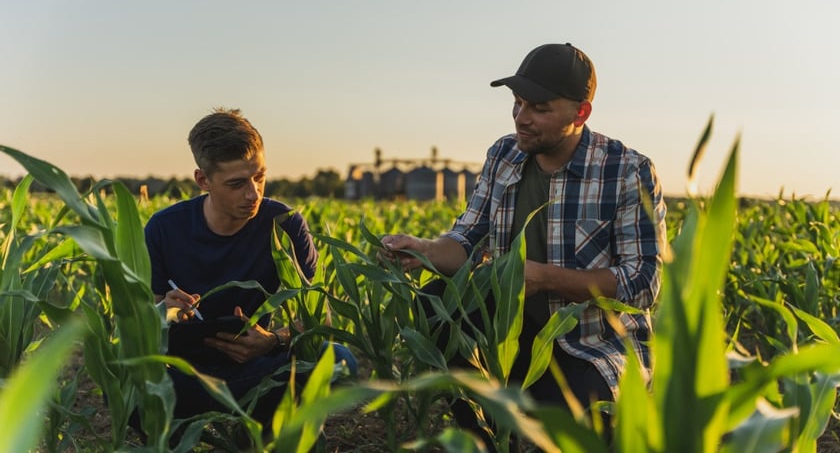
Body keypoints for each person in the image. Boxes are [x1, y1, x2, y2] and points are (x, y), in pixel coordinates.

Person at [379, 43, 667, 445]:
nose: (521, 118)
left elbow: (643, 282)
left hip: (589, 343)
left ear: (580, 113)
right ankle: (481, 435)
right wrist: (422, 249)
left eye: (539, 108)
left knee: (567, 432)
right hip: (510, 333)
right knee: (437, 301)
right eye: (517, 104)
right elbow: (466, 239)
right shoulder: (504, 154)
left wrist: (544, 278)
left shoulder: (626, 170)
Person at [143, 108, 357, 434]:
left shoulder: (284, 224)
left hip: (258, 367)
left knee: (339, 360)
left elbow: (319, 320)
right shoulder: (163, 228)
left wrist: (273, 340)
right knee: (127, 379)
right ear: (203, 180)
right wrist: (165, 312)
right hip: (186, 373)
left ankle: (258, 424)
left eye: (260, 176)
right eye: (237, 183)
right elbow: (143, 324)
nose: (253, 193)